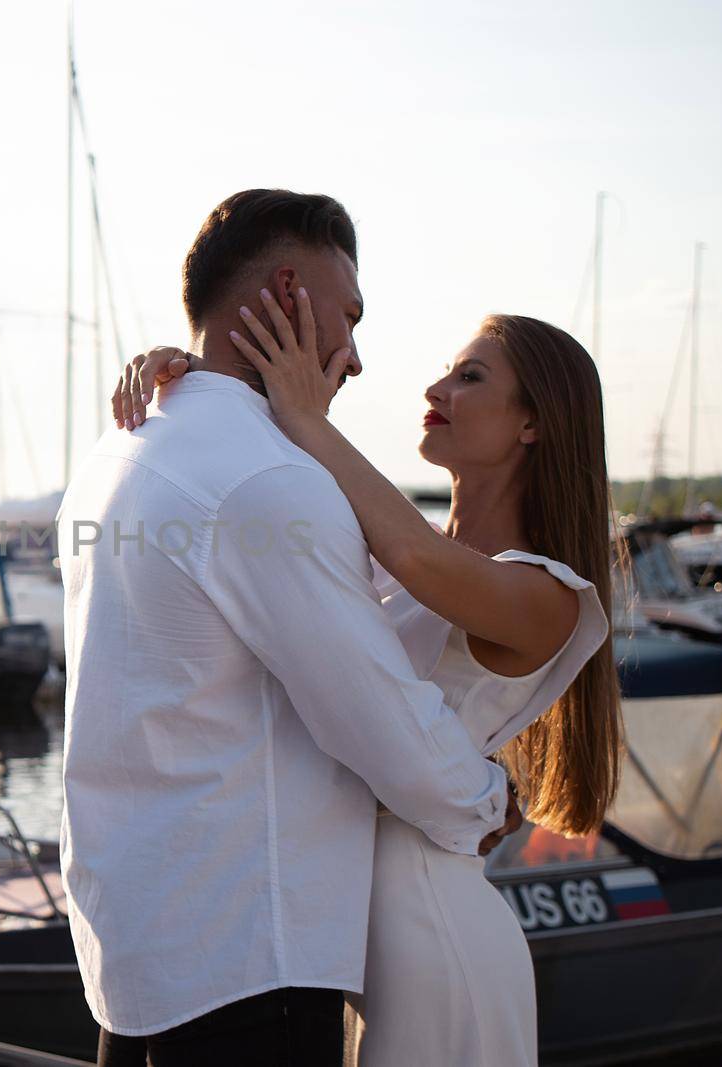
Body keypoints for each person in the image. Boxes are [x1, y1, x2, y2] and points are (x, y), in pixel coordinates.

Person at [57, 189, 518, 1067]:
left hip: (137, 951)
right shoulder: (266, 481)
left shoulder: (114, 455)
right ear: (284, 294)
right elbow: (369, 707)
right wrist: (484, 799)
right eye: (346, 317)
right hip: (245, 960)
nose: (354, 357)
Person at [115, 295, 622, 1065]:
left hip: (432, 932)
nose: (436, 390)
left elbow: (421, 559)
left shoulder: (545, 595)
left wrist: (304, 412)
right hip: (346, 936)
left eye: (471, 377)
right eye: (447, 371)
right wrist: (205, 389)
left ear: (533, 423)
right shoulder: (390, 557)